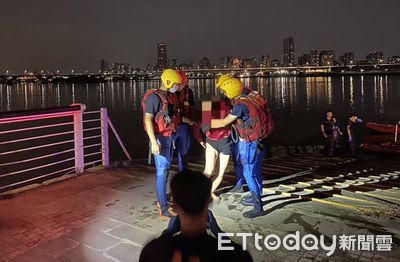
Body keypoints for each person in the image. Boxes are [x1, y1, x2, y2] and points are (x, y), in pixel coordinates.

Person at [139, 170, 253, 262]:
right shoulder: (235, 255)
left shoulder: (154, 252)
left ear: (174, 205)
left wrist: (168, 233)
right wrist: (219, 233)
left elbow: (157, 248)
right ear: (209, 201)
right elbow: (236, 253)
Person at [211, 77, 273, 218]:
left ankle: (258, 206)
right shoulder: (250, 95)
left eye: (224, 90)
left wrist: (206, 123)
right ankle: (256, 194)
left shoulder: (239, 105)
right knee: (255, 169)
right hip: (262, 138)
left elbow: (223, 122)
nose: (223, 93)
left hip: (251, 141)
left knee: (248, 171)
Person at [142, 68, 185, 219]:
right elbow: (148, 119)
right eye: (175, 84)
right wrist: (154, 142)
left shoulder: (168, 97)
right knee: (162, 173)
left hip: (168, 137)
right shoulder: (154, 98)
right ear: (167, 82)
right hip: (159, 138)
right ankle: (163, 208)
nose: (176, 86)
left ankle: (163, 201)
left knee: (165, 171)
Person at [169, 71, 196, 172]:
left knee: (184, 152)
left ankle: (183, 174)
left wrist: (192, 122)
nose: (178, 86)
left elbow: (192, 108)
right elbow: (169, 114)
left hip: (184, 127)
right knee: (168, 153)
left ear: (185, 83)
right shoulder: (169, 93)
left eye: (180, 84)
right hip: (172, 127)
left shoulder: (189, 92)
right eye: (177, 83)